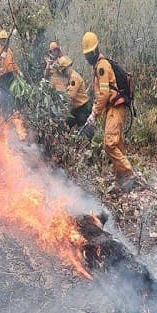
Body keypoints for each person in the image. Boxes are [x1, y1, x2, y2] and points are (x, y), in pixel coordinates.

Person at [81, 31, 136, 192]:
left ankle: (128, 173)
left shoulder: (102, 67)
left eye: (88, 54)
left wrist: (94, 114)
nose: (88, 57)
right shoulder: (100, 65)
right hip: (113, 108)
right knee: (118, 143)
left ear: (94, 51)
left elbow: (104, 94)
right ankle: (120, 181)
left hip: (116, 107)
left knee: (109, 144)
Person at [55, 56, 91, 127]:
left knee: (84, 128)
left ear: (69, 66)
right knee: (67, 124)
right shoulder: (70, 77)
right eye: (62, 71)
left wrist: (60, 100)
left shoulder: (74, 78)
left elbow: (70, 95)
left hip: (82, 108)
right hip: (75, 108)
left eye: (64, 70)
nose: (64, 72)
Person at [0, 29, 21, 113]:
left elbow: (13, 62)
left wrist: (19, 71)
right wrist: (1, 56)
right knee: (4, 93)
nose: (4, 41)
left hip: (10, 75)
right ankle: (3, 111)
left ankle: (12, 110)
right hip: (3, 75)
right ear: (0, 40)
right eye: (3, 39)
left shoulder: (9, 50)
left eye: (5, 39)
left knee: (12, 92)